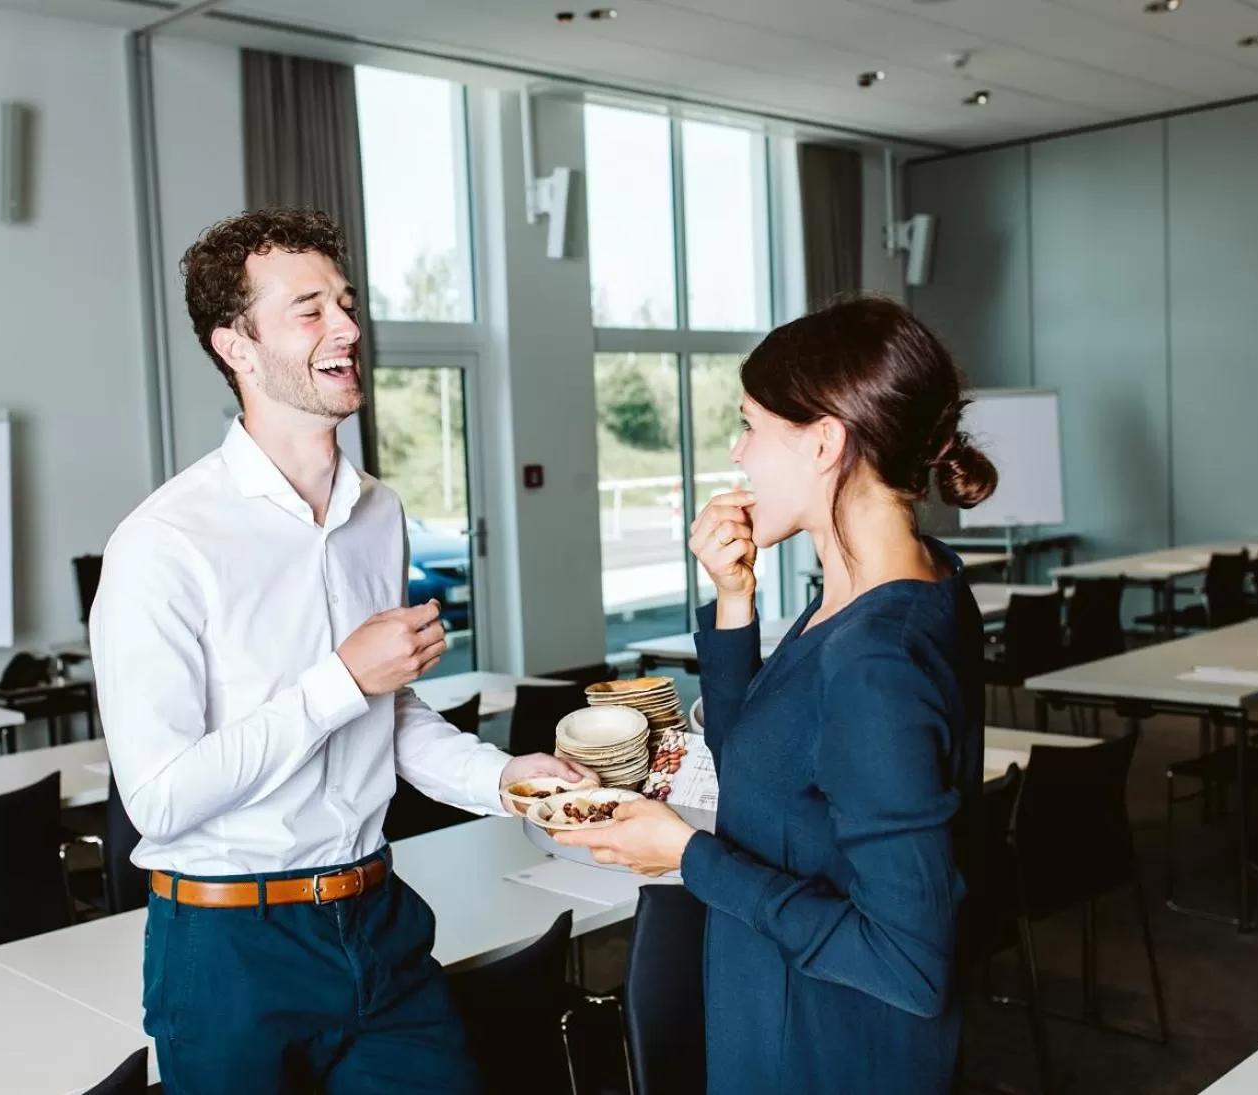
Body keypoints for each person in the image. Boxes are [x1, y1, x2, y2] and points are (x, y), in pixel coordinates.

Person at [90, 208, 592, 1095]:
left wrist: (508, 779)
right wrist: (339, 679)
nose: (349, 329)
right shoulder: (162, 543)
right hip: (228, 951)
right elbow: (160, 799)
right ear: (236, 347)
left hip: (377, 920)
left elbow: (387, 716)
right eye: (310, 309)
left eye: (348, 304)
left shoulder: (378, 513)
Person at [557, 295, 998, 1093]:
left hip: (829, 1046)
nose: (739, 451)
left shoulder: (875, 658)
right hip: (781, 1009)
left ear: (825, 441)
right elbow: (756, 757)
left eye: (752, 425)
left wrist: (689, 856)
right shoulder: (896, 587)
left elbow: (906, 961)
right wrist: (734, 601)